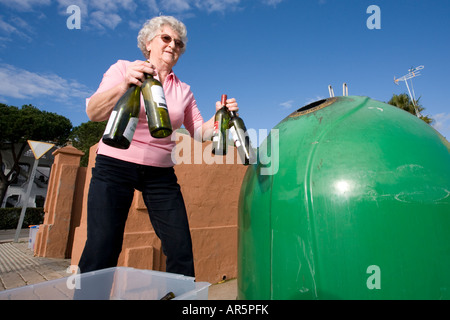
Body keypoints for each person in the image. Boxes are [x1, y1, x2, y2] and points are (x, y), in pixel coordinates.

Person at [78, 15, 239, 278]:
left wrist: (220, 117)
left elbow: (199, 132)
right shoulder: (123, 69)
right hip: (114, 166)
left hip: (160, 174)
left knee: (180, 250)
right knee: (102, 247)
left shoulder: (184, 90)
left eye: (178, 43)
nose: (173, 45)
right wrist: (124, 85)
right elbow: (93, 112)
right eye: (166, 38)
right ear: (148, 43)